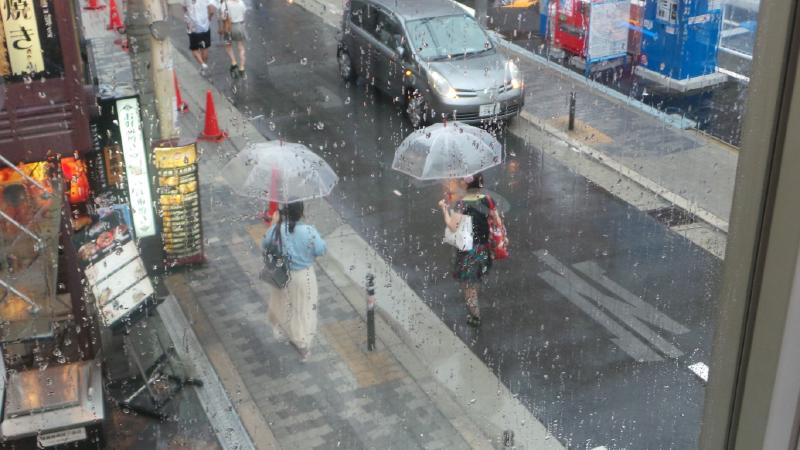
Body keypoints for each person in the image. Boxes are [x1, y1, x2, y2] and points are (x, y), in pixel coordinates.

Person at [262, 202, 327, 361]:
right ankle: (302, 346)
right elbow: (321, 249)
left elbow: (265, 245)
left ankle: (284, 330)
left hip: (281, 275)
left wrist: (273, 224)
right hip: (303, 277)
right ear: (301, 213)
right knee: (303, 310)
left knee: (283, 303)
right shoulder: (309, 231)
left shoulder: (276, 230)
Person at [438, 173, 503, 327]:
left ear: (467, 185)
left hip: (469, 252)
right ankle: (475, 306)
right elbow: (497, 221)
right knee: (475, 281)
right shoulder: (487, 200)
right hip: (484, 249)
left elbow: (452, 226)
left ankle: (475, 316)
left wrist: (444, 209)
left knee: (468, 287)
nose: (460, 182)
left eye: (462, 180)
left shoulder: (462, 204)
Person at [184, 0, 218, 74]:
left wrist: (187, 20)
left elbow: (185, 9)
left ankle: (202, 64)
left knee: (194, 49)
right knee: (204, 47)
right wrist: (209, 17)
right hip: (205, 26)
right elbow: (212, 10)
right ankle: (204, 67)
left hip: (193, 27)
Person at [220, 0, 247, 78]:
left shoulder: (225, 3)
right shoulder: (241, 2)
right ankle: (242, 67)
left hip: (229, 27)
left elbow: (223, 17)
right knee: (241, 47)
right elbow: (243, 13)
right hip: (239, 26)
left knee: (228, 45)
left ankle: (234, 62)